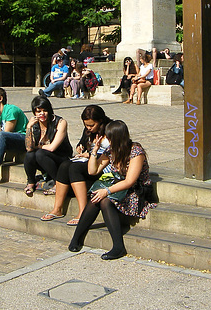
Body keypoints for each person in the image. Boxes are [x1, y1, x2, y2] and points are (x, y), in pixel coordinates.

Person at [68, 119, 157, 260]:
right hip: (118, 187)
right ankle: (77, 237)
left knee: (105, 200)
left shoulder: (136, 151)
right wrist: (94, 151)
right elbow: (93, 170)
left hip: (136, 191)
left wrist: (107, 191)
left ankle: (118, 246)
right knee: (96, 197)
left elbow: (130, 181)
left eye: (107, 137)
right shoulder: (111, 151)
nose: (105, 139)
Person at [40, 105, 112, 224]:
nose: (88, 128)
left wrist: (90, 155)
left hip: (103, 164)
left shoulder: (111, 129)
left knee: (75, 168)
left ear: (100, 121)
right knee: (65, 165)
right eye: (86, 125)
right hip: (91, 160)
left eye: (91, 125)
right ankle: (57, 208)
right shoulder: (88, 130)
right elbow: (82, 142)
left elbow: (114, 153)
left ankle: (83, 211)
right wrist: (81, 147)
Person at [23, 95, 73, 196]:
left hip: (61, 158)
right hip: (44, 160)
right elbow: (29, 148)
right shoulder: (35, 125)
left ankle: (58, 182)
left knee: (39, 153)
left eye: (44, 110)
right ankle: (31, 182)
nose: (42, 114)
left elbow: (52, 147)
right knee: (30, 155)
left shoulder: (60, 122)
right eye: (38, 111)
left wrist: (37, 147)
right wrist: (28, 128)